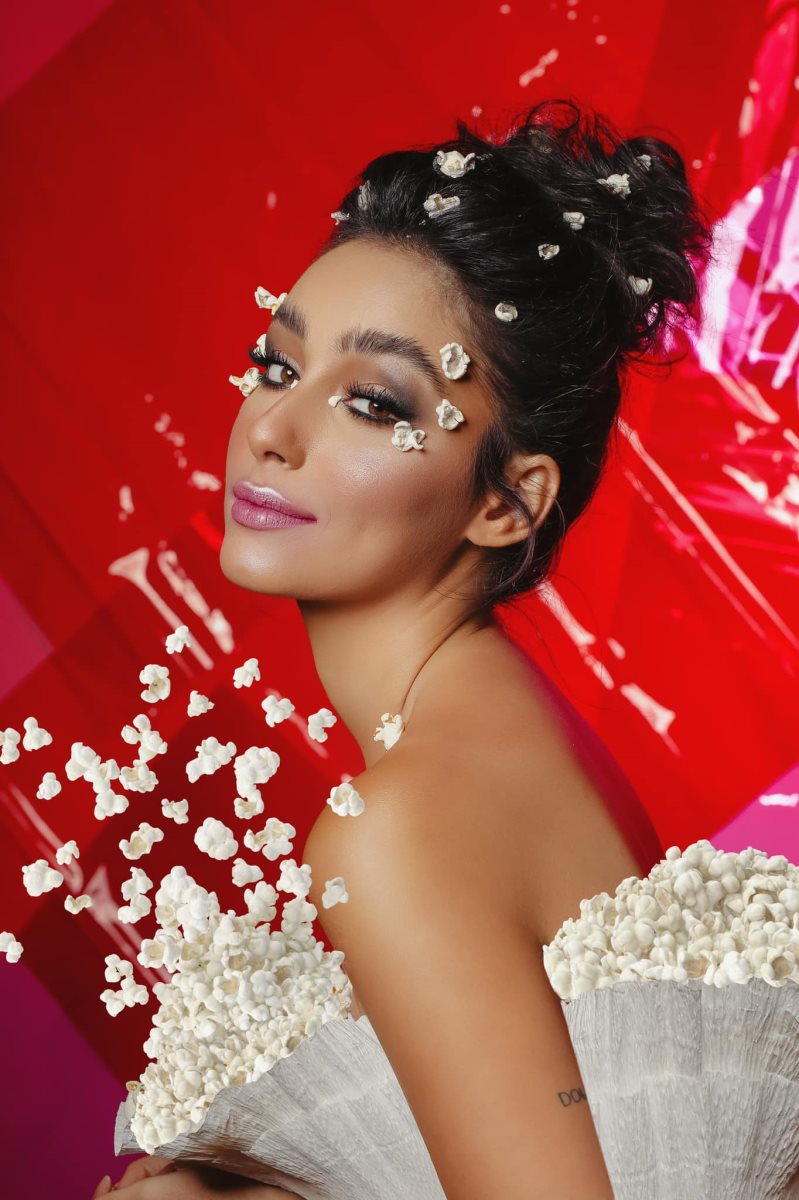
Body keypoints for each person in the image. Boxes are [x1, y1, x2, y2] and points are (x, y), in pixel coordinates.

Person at [97, 96, 712, 1198]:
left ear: (506, 503)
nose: (269, 432)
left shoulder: (403, 825)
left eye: (374, 404)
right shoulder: (501, 729)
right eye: (277, 366)